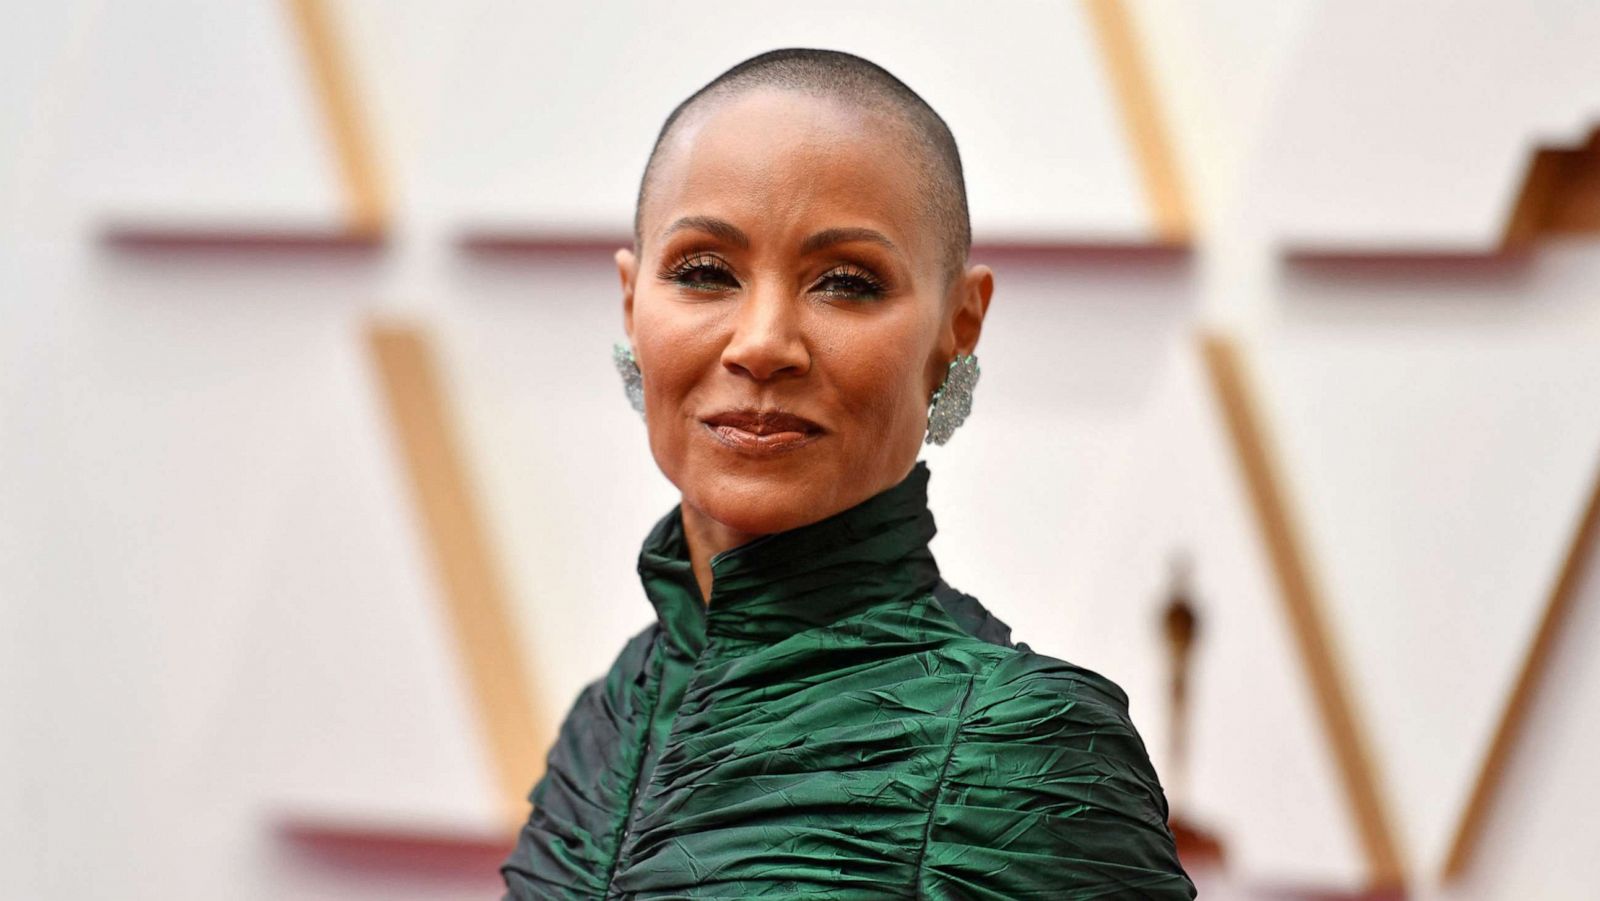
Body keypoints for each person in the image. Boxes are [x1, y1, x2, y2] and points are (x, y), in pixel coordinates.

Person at [500, 47, 1195, 899]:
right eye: (704, 272)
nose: (760, 343)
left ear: (958, 324)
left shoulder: (1023, 752)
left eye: (846, 283)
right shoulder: (605, 717)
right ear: (631, 300)